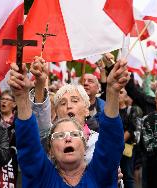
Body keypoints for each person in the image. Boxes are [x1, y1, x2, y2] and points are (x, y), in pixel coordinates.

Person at [8, 58, 129, 187]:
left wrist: (112, 91)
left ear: (85, 145)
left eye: (75, 134)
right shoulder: (41, 178)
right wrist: (22, 97)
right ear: (50, 151)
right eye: (59, 135)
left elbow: (111, 142)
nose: (67, 138)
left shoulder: (100, 173)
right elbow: (29, 144)